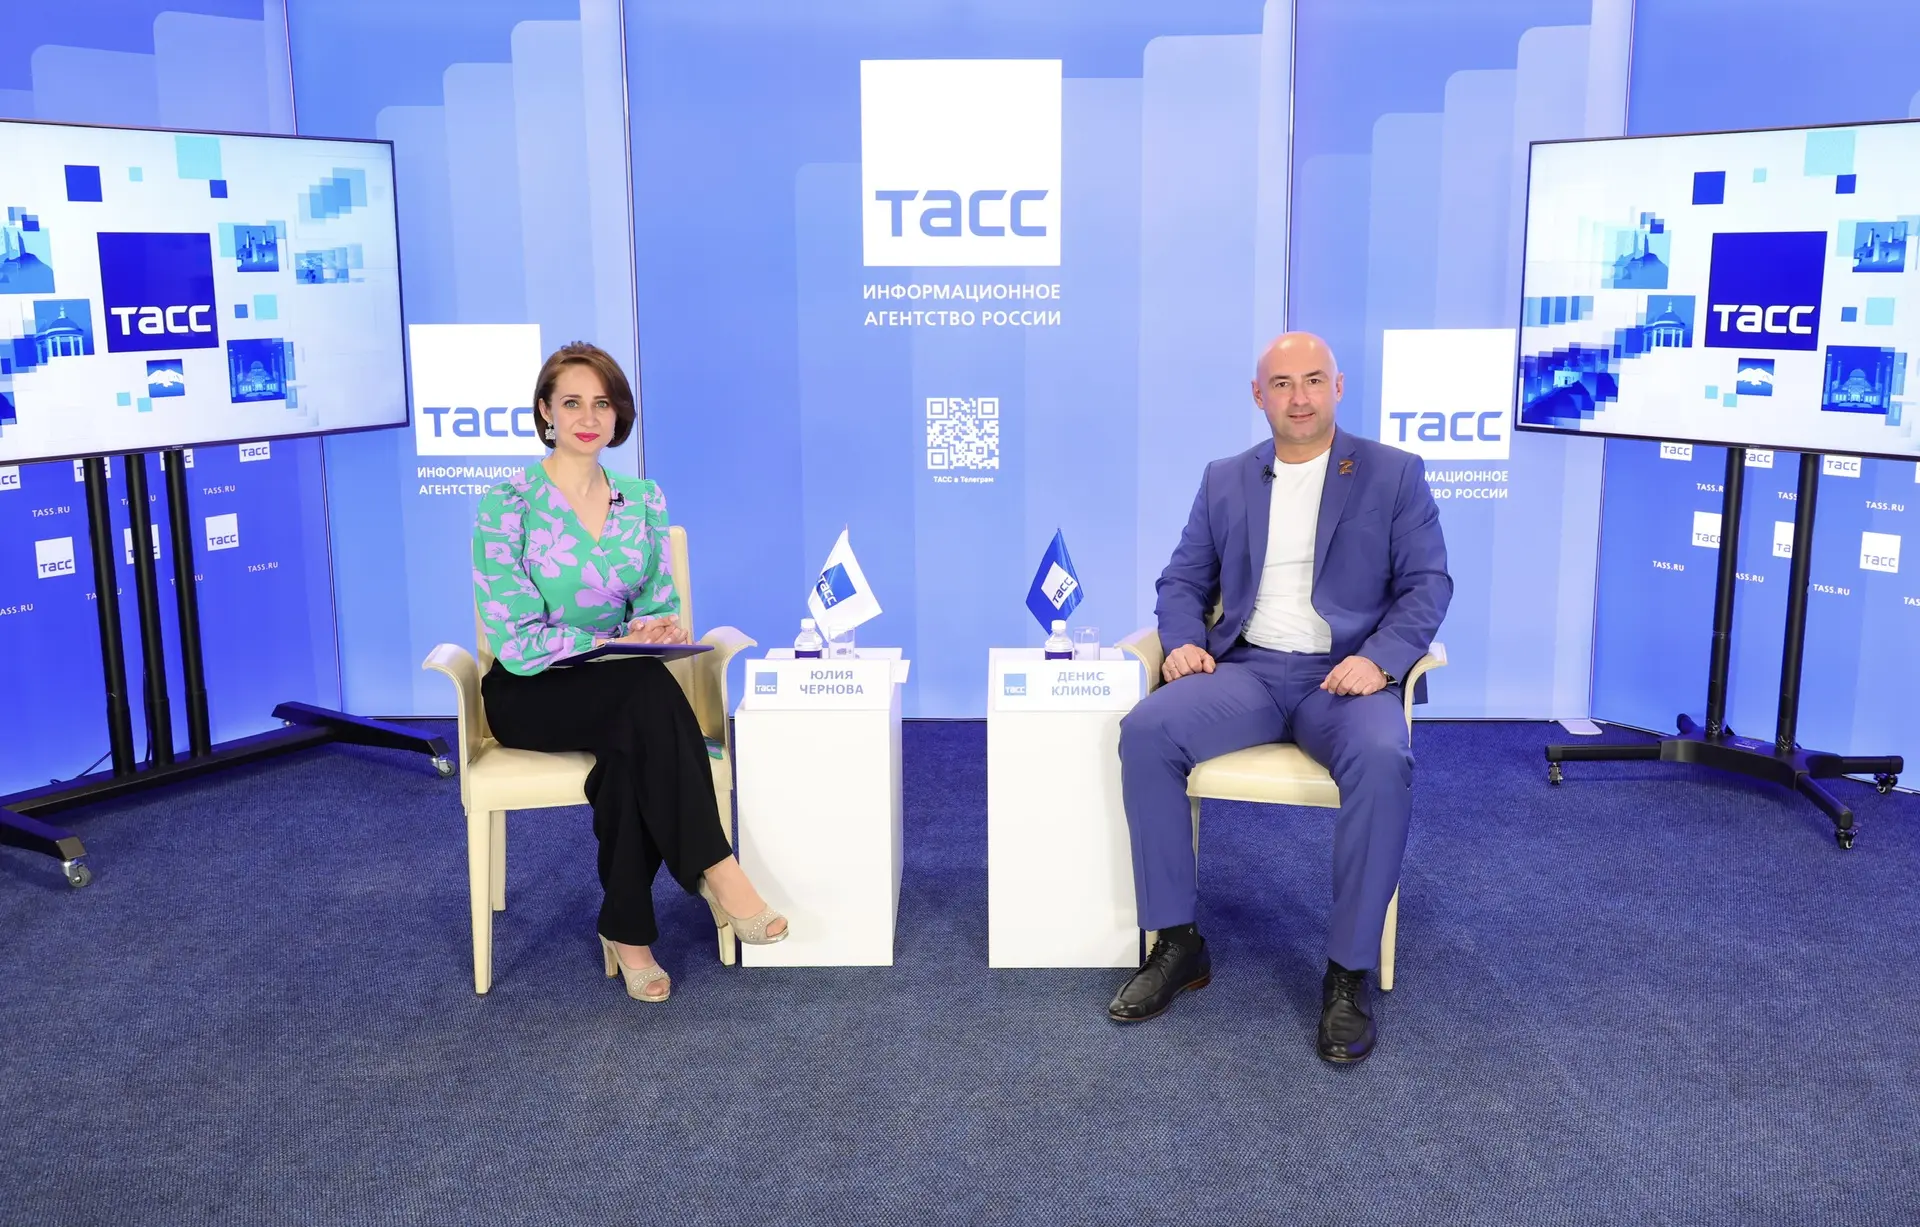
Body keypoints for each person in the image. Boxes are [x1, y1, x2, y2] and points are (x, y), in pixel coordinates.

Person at [1107, 332, 1451, 1064]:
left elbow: (1427, 584)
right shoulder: (1225, 478)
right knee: (1147, 731)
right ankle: (1177, 941)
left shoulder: (1393, 473)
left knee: (1384, 757)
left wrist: (1380, 660)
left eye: (1314, 380)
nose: (1300, 398)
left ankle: (1348, 973)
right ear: (1258, 395)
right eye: (1283, 384)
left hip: (1344, 675)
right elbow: (1182, 580)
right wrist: (1181, 640)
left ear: (1338, 387)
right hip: (1249, 671)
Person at [472, 341, 788, 1003]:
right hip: (529, 690)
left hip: (617, 690)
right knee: (644, 695)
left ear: (619, 414)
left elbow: (657, 605)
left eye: (603, 403)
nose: (589, 417)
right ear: (545, 411)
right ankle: (717, 868)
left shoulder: (641, 499)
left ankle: (627, 930)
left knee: (629, 749)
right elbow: (515, 635)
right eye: (572, 402)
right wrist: (610, 640)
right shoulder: (507, 503)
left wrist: (654, 630)